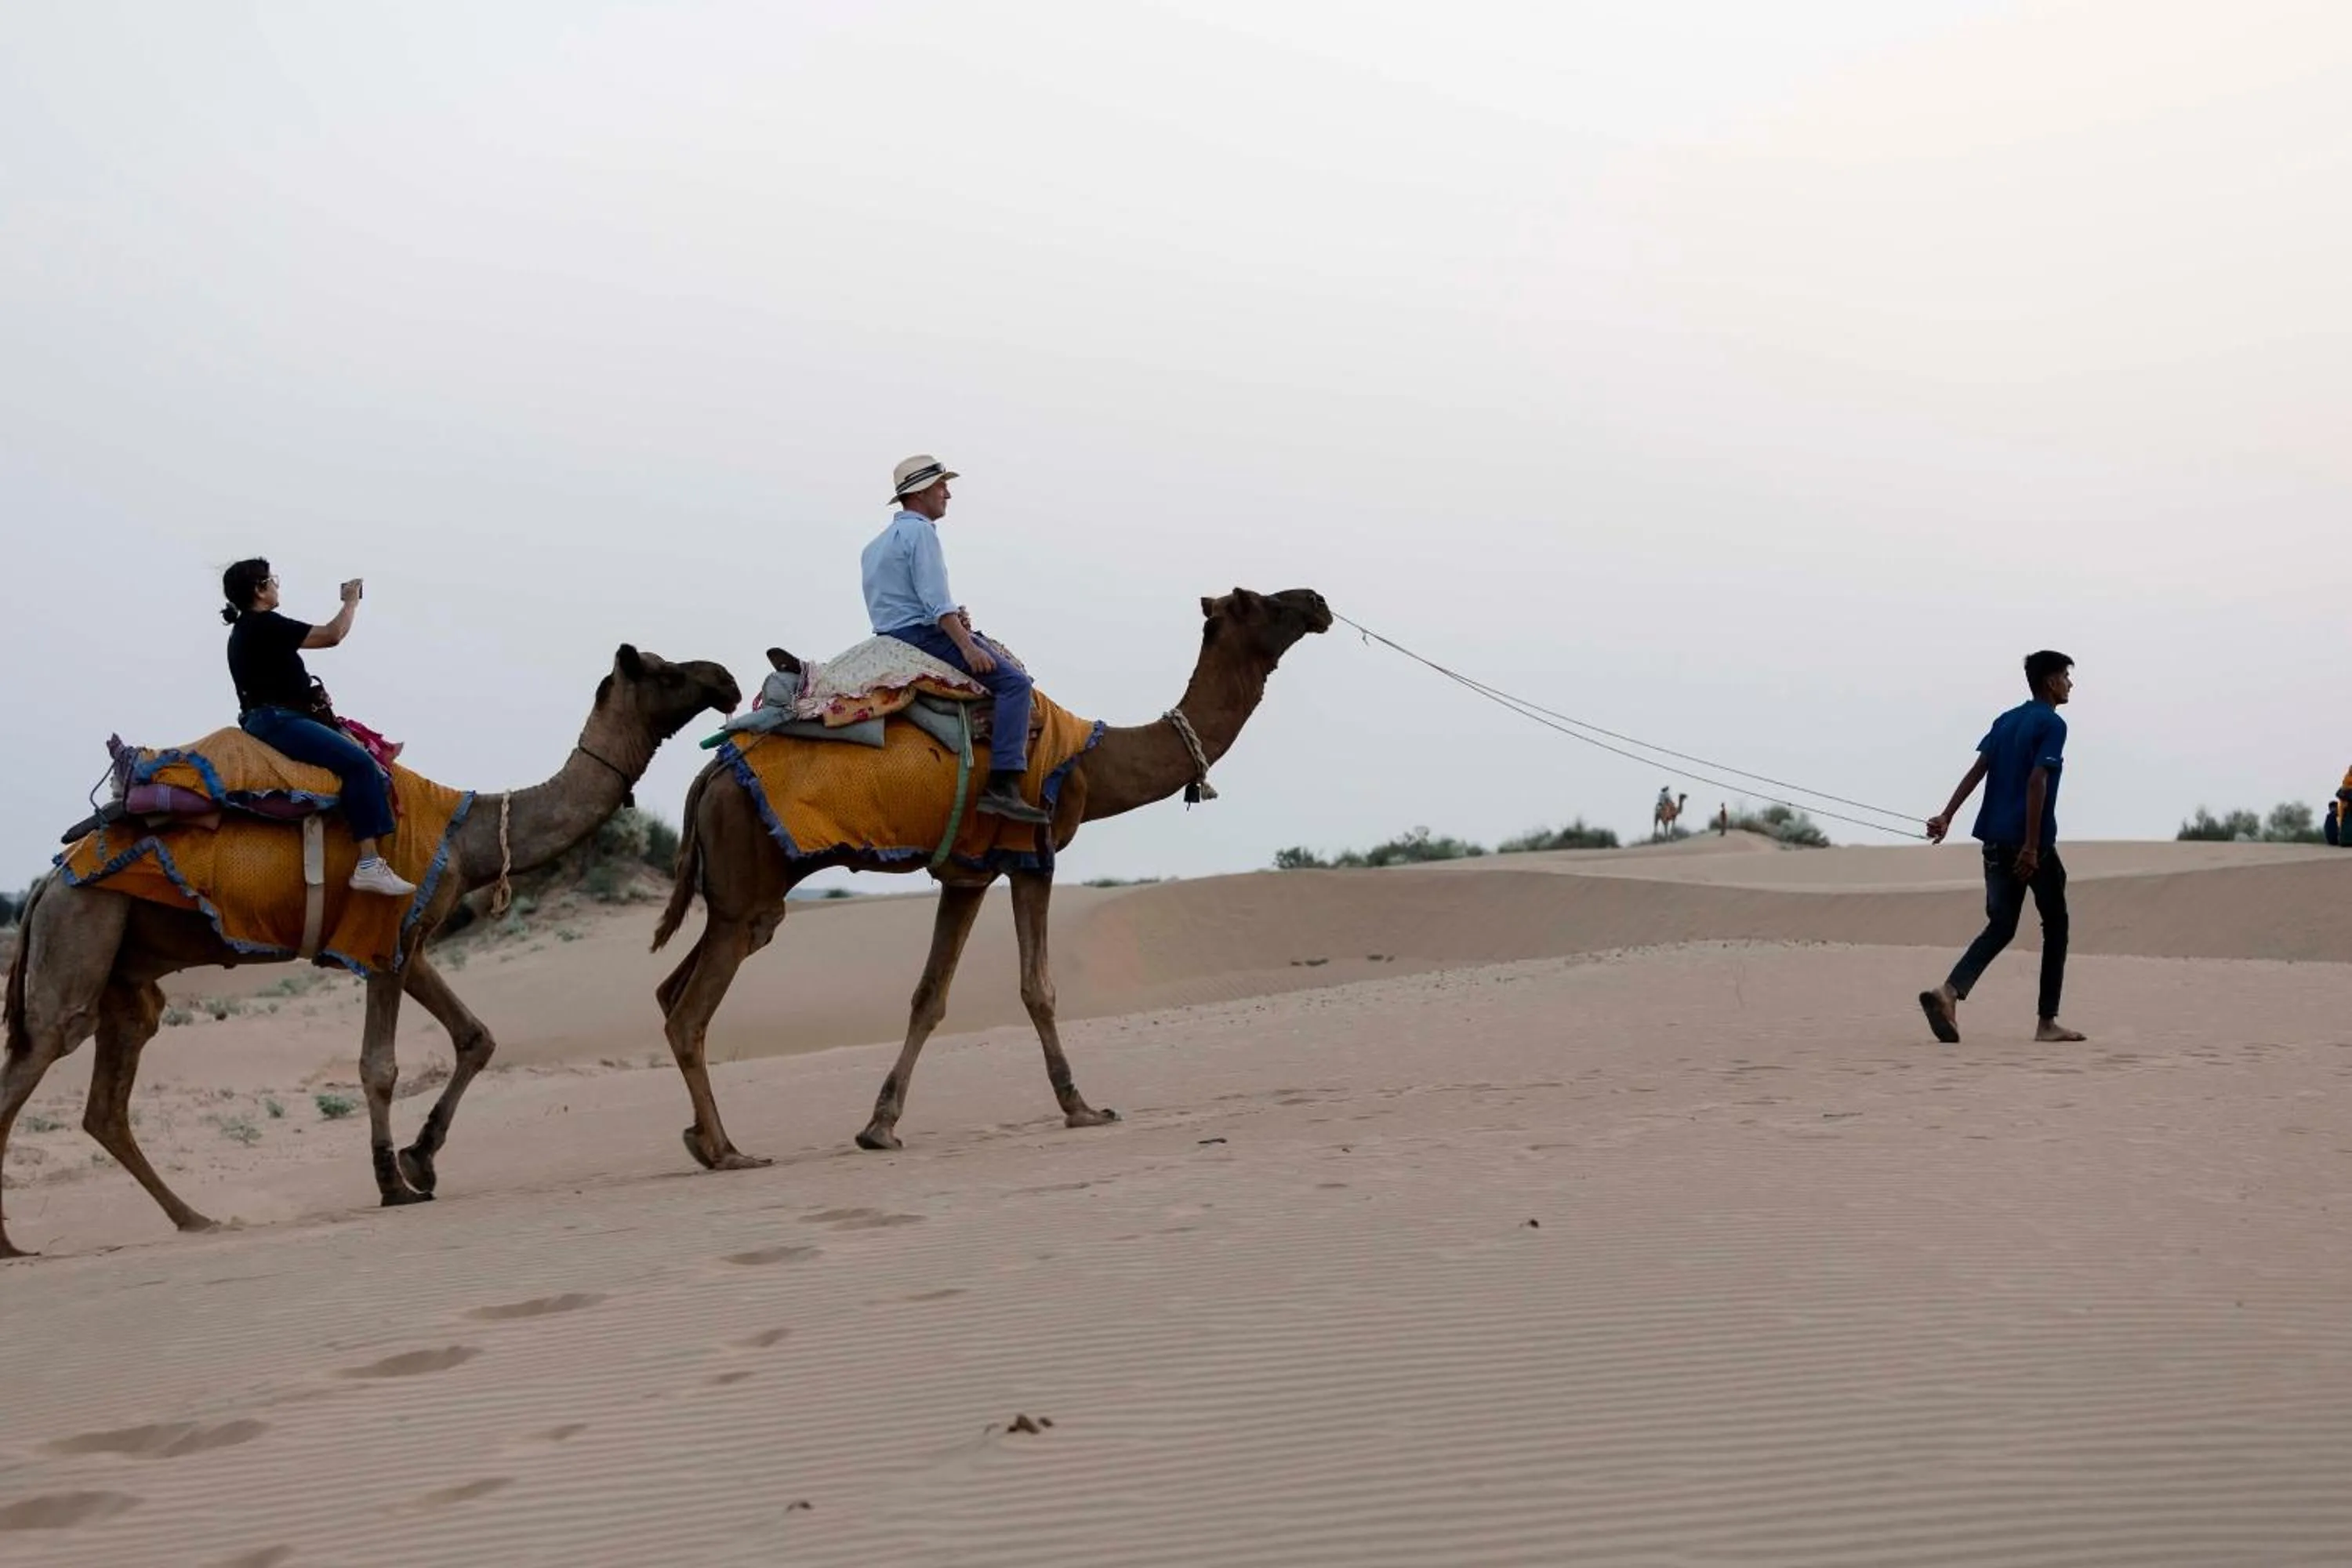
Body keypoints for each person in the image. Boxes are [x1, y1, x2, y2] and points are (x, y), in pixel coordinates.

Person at [860, 456, 1051, 826]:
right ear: (919, 494)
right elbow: (936, 604)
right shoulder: (921, 533)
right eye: (940, 487)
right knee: (1015, 684)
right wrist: (967, 646)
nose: (947, 493)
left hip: (890, 635)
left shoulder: (875, 546)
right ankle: (1003, 786)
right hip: (923, 636)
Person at [220, 558, 416, 896]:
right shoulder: (264, 624)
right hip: (277, 720)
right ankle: (369, 864)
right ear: (259, 590)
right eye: (273, 581)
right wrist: (351, 601)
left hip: (271, 718)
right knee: (358, 763)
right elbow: (332, 635)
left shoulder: (247, 630)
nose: (277, 586)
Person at [1917, 650, 2084, 1045]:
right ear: (2049, 682)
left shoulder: (2006, 720)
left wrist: (1947, 815)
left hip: (1993, 840)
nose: (2070, 684)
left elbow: (1978, 770)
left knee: (2002, 925)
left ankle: (1949, 993)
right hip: (2032, 843)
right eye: (2065, 676)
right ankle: (2047, 1023)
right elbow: (2036, 783)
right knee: (2056, 926)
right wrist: (2030, 847)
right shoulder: (2052, 724)